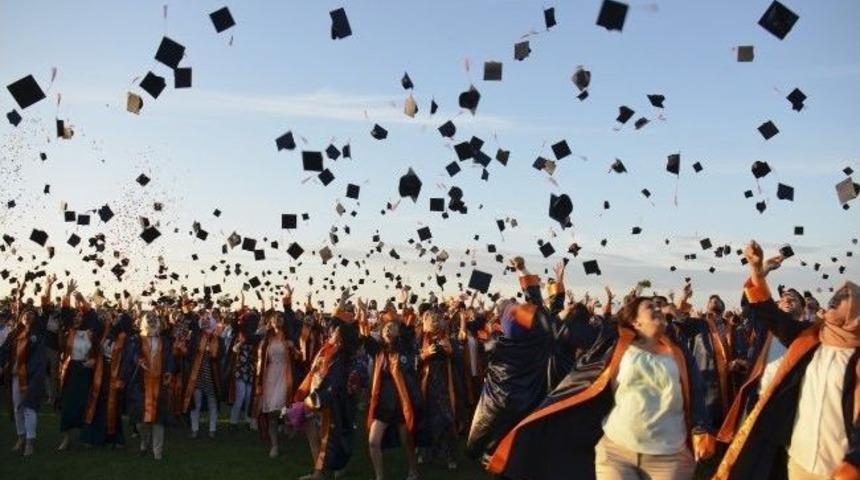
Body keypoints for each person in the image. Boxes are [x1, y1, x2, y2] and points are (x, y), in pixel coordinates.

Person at [485, 294, 715, 480]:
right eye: (650, 307)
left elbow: (693, 387)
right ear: (635, 321)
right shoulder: (610, 339)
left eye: (659, 307)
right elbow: (559, 330)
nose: (658, 310)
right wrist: (526, 310)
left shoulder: (677, 351)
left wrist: (699, 426)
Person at [715, 241, 860, 480]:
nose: (835, 296)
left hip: (839, 467)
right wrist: (756, 269)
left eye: (844, 296)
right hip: (798, 459)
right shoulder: (810, 337)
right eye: (836, 293)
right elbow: (768, 313)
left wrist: (854, 462)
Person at [466, 257, 561, 461]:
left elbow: (476, 332)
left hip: (498, 404)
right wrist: (521, 270)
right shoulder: (539, 341)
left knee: (491, 438)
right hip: (530, 401)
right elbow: (537, 305)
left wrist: (487, 318)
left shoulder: (495, 347)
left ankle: (489, 456)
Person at [293, 293, 359, 480]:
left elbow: (338, 380)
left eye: (337, 330)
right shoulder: (327, 347)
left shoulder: (343, 353)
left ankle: (325, 470)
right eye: (333, 329)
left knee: (332, 436)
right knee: (312, 429)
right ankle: (320, 469)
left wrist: (343, 306)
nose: (332, 331)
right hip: (317, 392)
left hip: (331, 398)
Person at [361, 288, 422, 480]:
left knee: (407, 441)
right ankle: (380, 477)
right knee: (373, 441)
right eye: (385, 327)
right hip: (383, 404)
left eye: (392, 327)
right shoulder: (378, 350)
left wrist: (403, 304)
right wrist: (362, 312)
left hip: (402, 403)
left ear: (398, 330)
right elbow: (363, 337)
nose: (388, 329)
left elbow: (407, 327)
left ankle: (413, 470)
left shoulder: (405, 346)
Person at [1, 275, 54, 456]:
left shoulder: (38, 331)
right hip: (16, 375)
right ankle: (20, 437)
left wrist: (48, 286)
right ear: (21, 317)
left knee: (29, 406)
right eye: (25, 314)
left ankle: (30, 441)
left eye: (31, 313)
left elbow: (46, 310)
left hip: (32, 375)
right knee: (17, 408)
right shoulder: (15, 333)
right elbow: (4, 351)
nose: (28, 315)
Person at [56, 280, 101, 451]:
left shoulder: (90, 332)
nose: (77, 318)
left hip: (85, 370)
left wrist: (93, 360)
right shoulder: (69, 331)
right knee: (67, 404)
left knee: (85, 403)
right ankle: (66, 439)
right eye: (75, 316)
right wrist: (67, 293)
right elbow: (65, 312)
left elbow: (97, 350)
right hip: (70, 369)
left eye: (80, 316)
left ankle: (86, 437)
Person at [81, 310, 135, 448]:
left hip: (115, 377)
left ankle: (115, 439)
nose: (116, 320)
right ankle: (95, 438)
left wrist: (121, 379)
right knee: (97, 404)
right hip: (101, 373)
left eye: (119, 319)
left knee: (113, 408)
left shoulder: (127, 340)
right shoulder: (109, 335)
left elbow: (127, 362)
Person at [129, 310, 176, 460]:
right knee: (141, 421)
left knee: (158, 419)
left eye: (154, 319)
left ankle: (157, 453)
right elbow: (134, 354)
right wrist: (139, 359)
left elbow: (169, 358)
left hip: (159, 384)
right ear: (144, 322)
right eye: (149, 319)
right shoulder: (138, 339)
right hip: (141, 384)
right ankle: (144, 441)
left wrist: (168, 371)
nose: (152, 321)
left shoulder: (164, 341)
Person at [253, 306, 296, 458]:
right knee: (271, 412)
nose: (278, 320)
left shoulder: (289, 338)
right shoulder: (266, 339)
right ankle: (274, 446)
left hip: (285, 374)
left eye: (281, 318)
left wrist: (293, 349)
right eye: (275, 318)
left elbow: (299, 357)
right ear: (270, 322)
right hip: (270, 375)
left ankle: (288, 425)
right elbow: (256, 337)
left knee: (284, 408)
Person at [182, 310, 221, 439]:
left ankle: (212, 429)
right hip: (197, 374)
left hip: (211, 375)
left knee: (212, 402)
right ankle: (194, 428)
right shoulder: (196, 338)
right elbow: (189, 355)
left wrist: (213, 352)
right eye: (204, 321)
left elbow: (221, 356)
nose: (206, 323)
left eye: (208, 321)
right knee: (196, 403)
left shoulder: (217, 338)